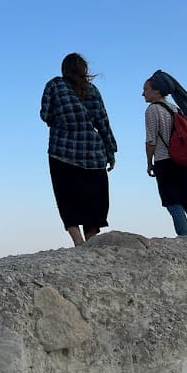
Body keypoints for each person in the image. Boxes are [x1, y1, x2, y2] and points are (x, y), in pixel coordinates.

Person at [40, 53, 117, 246]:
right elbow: (103, 122)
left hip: (61, 151)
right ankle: (91, 240)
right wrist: (110, 151)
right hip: (92, 154)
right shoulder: (93, 90)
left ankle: (78, 242)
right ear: (84, 70)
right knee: (93, 199)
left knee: (67, 198)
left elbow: (45, 115)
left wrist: (60, 120)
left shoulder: (54, 85)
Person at [142, 70, 187, 236]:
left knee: (173, 202)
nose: (143, 93)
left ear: (157, 91)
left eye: (146, 89)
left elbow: (151, 141)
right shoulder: (176, 109)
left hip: (165, 161)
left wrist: (149, 162)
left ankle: (183, 237)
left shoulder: (152, 110)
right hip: (183, 160)